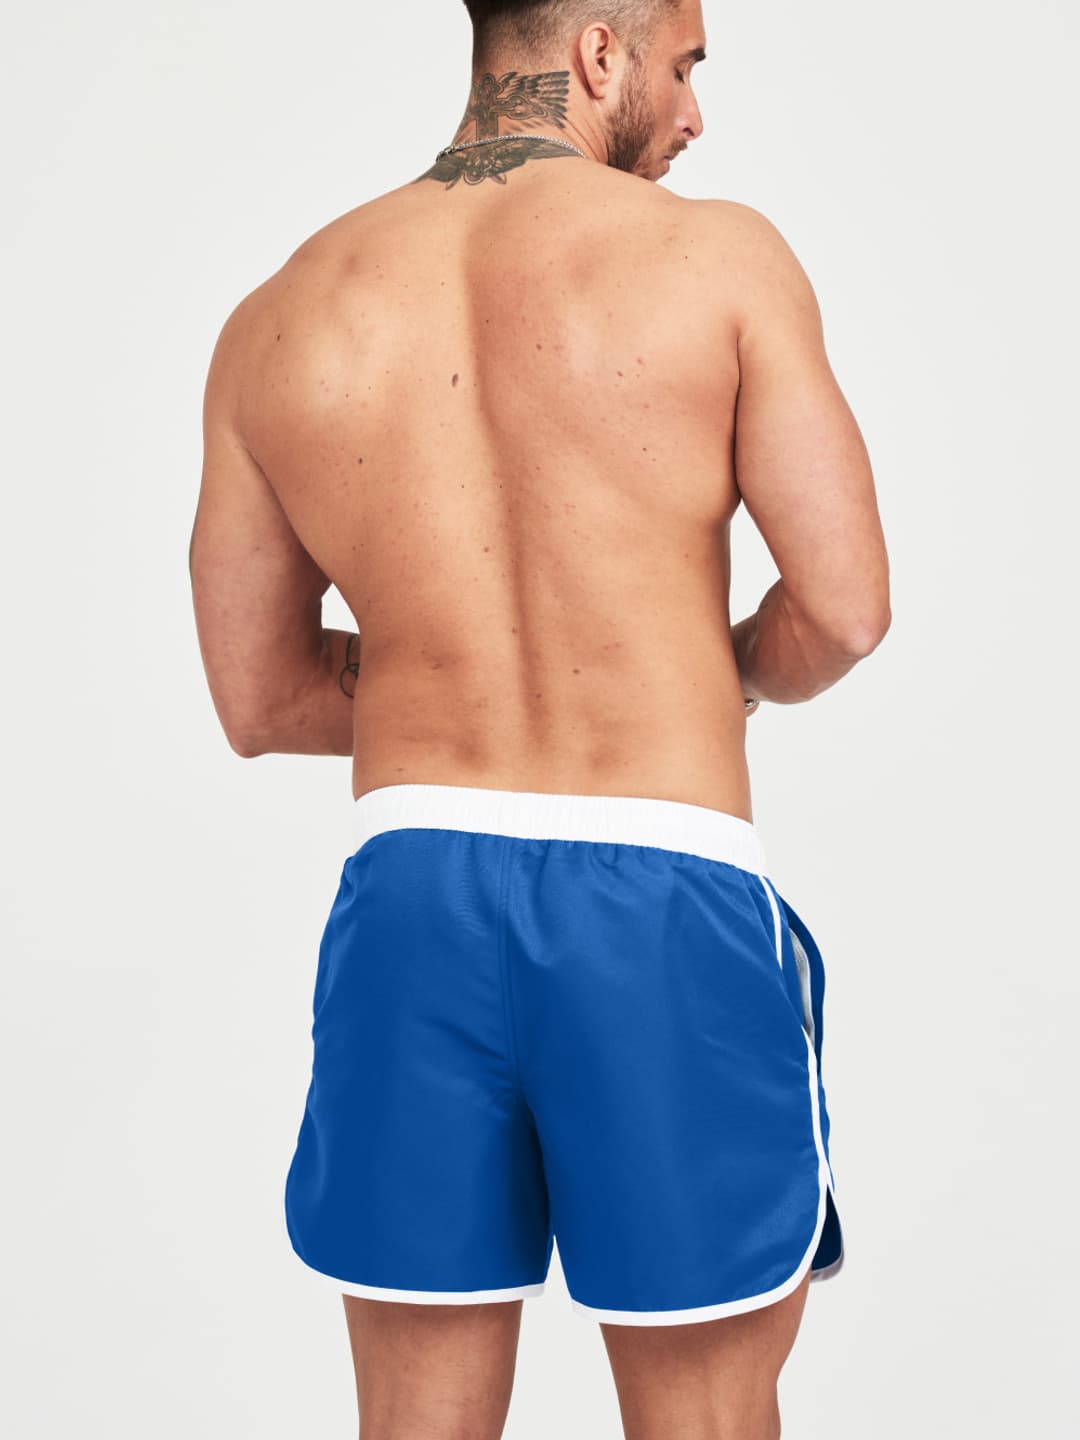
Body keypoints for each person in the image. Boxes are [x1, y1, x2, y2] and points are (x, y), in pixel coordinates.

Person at [188, 0, 890, 1433]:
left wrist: (440, 668)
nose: (693, 115)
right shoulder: (720, 261)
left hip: (411, 900)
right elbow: (845, 610)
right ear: (598, 52)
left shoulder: (282, 313)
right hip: (659, 896)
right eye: (683, 65)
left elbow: (257, 696)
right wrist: (707, 674)